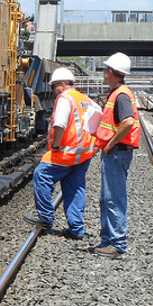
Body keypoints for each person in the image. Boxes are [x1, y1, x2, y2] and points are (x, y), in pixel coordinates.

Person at [24, 67, 98, 239]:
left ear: (63, 84)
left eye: (54, 86)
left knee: (41, 175)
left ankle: (45, 218)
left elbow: (60, 124)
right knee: (75, 187)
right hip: (84, 154)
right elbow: (98, 118)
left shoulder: (65, 98)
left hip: (66, 152)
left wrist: (56, 145)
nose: (53, 90)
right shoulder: (85, 99)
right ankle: (77, 229)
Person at [92, 52, 140, 258]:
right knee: (107, 198)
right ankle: (108, 240)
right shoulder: (117, 93)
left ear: (112, 72)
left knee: (113, 198)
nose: (104, 73)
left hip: (116, 153)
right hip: (114, 153)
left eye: (106, 70)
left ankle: (117, 244)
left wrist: (110, 144)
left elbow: (128, 122)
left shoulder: (121, 95)